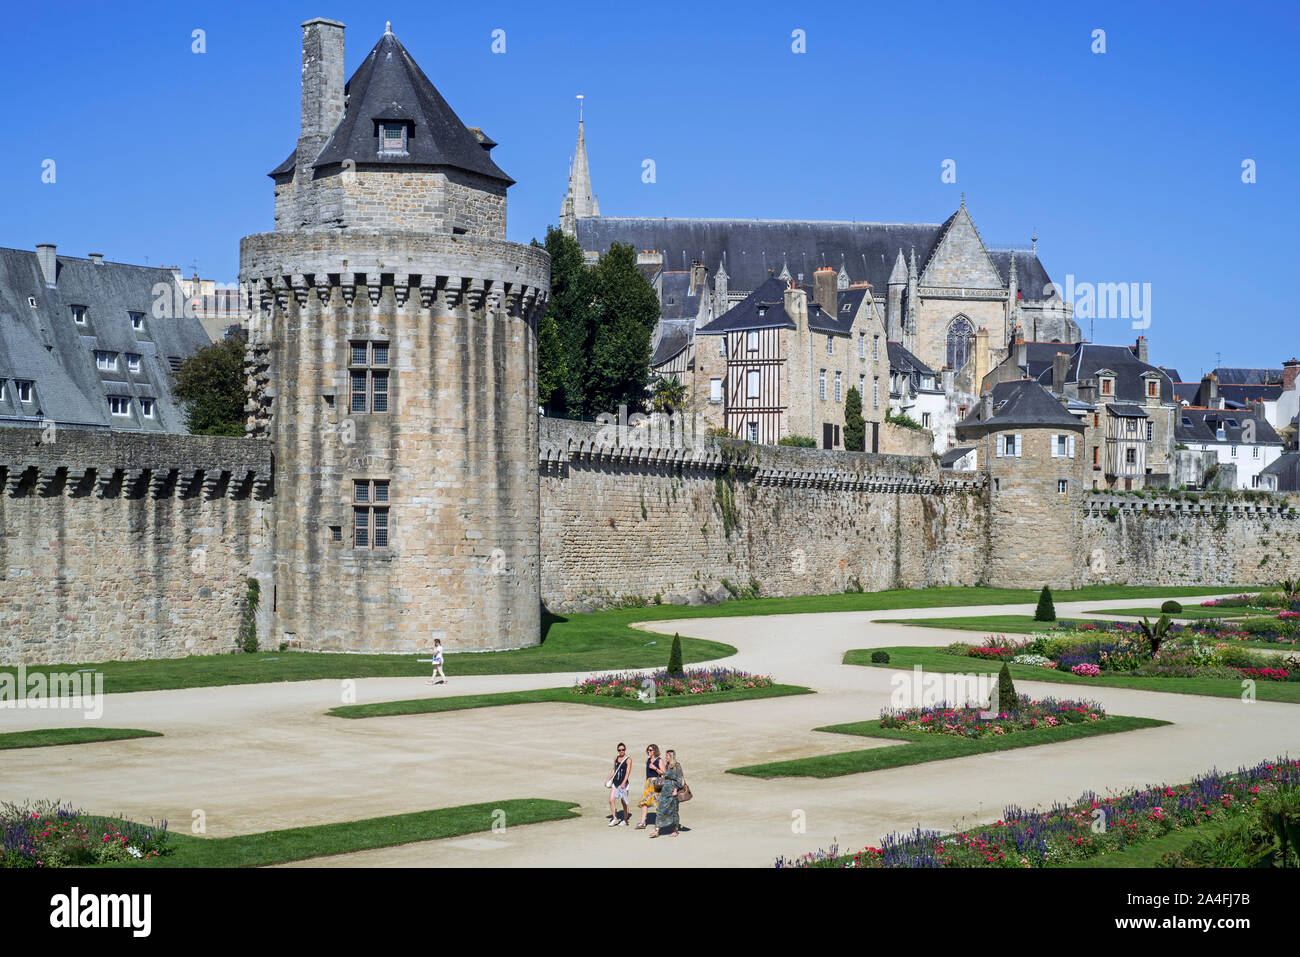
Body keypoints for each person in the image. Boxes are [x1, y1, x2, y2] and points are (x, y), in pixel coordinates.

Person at [649, 749, 684, 838]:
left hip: (673, 792)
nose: (665, 757)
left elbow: (680, 781)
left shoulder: (677, 766)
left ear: (671, 756)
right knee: (660, 809)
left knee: (673, 811)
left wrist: (676, 790)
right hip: (665, 791)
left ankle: (675, 831)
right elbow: (665, 776)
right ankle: (657, 830)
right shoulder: (667, 765)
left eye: (667, 756)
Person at [636, 744, 664, 830]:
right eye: (648, 750)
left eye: (650, 750)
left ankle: (659, 823)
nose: (649, 752)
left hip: (657, 783)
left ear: (655, 751)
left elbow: (663, 772)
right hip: (649, 784)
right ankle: (643, 822)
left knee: (658, 803)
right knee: (644, 802)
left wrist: (655, 768)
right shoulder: (648, 760)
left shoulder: (659, 760)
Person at [606, 742, 631, 826]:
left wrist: (624, 782)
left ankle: (625, 819)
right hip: (615, 783)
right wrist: (608, 779)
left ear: (625, 750)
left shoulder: (628, 759)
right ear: (618, 750)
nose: (621, 751)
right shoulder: (616, 758)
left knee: (623, 802)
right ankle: (615, 818)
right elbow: (614, 770)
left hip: (623, 784)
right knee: (611, 800)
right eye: (620, 750)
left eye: (623, 750)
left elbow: (627, 773)